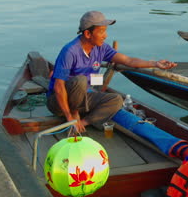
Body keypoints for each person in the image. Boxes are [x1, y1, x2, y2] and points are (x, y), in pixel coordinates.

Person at [46, 10, 177, 133]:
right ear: (87, 34)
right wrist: (69, 115)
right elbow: (58, 87)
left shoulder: (101, 48)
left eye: (105, 31)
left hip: (83, 97)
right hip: (58, 103)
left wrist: (155, 63)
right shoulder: (70, 51)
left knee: (116, 100)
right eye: (102, 31)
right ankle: (74, 116)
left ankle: (84, 122)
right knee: (80, 80)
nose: (105, 35)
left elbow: (129, 61)